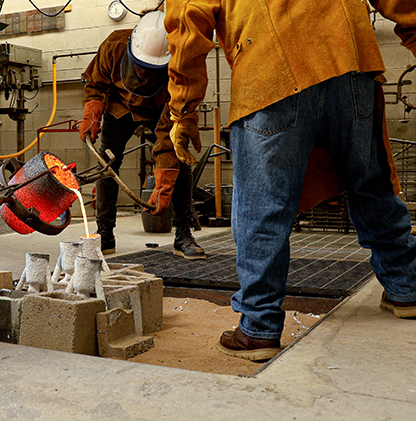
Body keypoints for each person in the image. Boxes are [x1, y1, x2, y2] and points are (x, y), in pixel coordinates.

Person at [164, 0, 416, 361]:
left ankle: (258, 327)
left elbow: (189, 22)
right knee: (369, 182)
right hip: (350, 59)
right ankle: (406, 287)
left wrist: (183, 109)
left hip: (269, 66)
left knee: (262, 206)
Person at [79, 10, 205, 258]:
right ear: (131, 46)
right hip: (119, 106)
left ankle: (183, 233)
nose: (144, 75)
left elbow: (169, 133)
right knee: (107, 163)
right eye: (140, 68)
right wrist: (92, 108)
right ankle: (104, 233)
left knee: (179, 160)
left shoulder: (179, 70)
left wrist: (165, 180)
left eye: (151, 70)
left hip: (160, 110)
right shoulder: (113, 45)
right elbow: (95, 84)